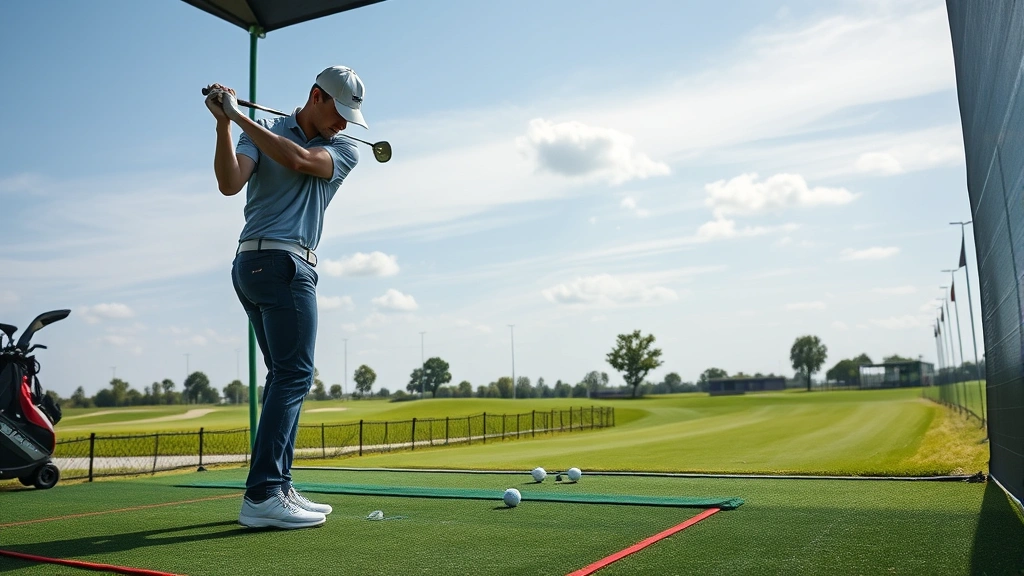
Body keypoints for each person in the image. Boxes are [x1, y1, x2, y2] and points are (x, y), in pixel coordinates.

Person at [205, 66, 366, 529]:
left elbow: (299, 159)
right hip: (280, 265)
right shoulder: (261, 131)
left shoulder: (344, 150)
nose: (344, 123)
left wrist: (237, 117)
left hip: (256, 268)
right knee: (294, 375)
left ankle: (278, 486)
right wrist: (223, 125)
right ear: (317, 96)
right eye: (339, 111)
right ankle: (262, 494)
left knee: (283, 376)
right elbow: (230, 183)